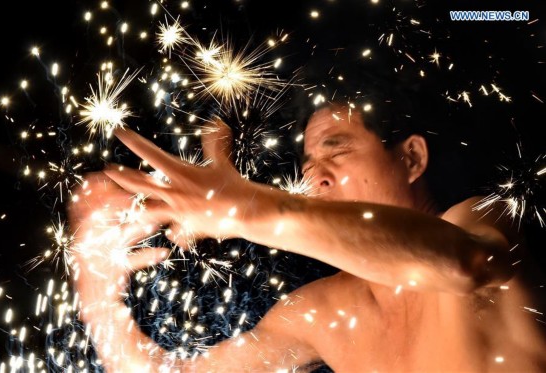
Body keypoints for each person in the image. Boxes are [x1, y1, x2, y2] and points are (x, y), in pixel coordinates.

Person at [68, 104, 546, 372]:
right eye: (308, 163)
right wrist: (96, 288)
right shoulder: (327, 313)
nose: (315, 175)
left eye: (336, 150)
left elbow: (462, 265)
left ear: (412, 158)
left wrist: (253, 210)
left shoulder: (481, 219)